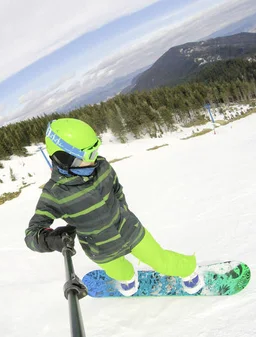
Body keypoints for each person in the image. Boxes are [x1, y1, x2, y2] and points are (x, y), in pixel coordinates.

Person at [24, 118, 203, 296]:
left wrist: (123, 212)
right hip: (100, 249)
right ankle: (128, 278)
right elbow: (32, 234)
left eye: (95, 152)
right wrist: (51, 239)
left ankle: (189, 270)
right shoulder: (55, 194)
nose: (95, 160)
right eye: (88, 155)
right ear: (65, 158)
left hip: (130, 230)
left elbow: (117, 189)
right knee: (119, 272)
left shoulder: (102, 167)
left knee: (161, 261)